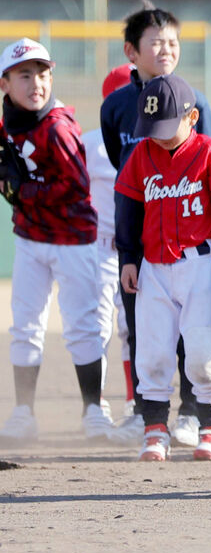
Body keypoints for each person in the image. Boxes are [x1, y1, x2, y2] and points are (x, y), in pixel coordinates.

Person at [114, 74, 211, 460]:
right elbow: (128, 209)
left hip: (198, 264)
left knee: (202, 352)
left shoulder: (209, 152)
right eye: (151, 128)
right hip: (153, 268)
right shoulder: (142, 154)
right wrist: (128, 258)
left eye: (166, 126)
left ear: (192, 118)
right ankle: (155, 429)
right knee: (153, 353)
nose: (157, 135)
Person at [101, 4, 211, 448]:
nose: (165, 49)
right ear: (132, 51)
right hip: (144, 240)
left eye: (172, 41)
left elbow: (209, 164)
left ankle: (189, 411)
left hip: (188, 236)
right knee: (143, 327)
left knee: (192, 328)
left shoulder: (195, 101)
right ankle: (146, 412)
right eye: (155, 41)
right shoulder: (115, 106)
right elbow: (123, 168)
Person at [0, 39, 112, 444]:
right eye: (25, 75)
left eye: (43, 74)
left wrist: (23, 191)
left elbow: (77, 185)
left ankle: (94, 412)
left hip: (74, 241)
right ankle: (24, 412)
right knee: (25, 326)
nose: (36, 84)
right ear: (5, 84)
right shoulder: (8, 123)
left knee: (82, 325)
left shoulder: (58, 127)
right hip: (30, 239)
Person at [82, 66, 135, 424]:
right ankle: (96, 402)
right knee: (98, 326)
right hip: (100, 247)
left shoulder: (148, 138)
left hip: (135, 247)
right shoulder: (90, 142)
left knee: (134, 326)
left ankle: (135, 401)